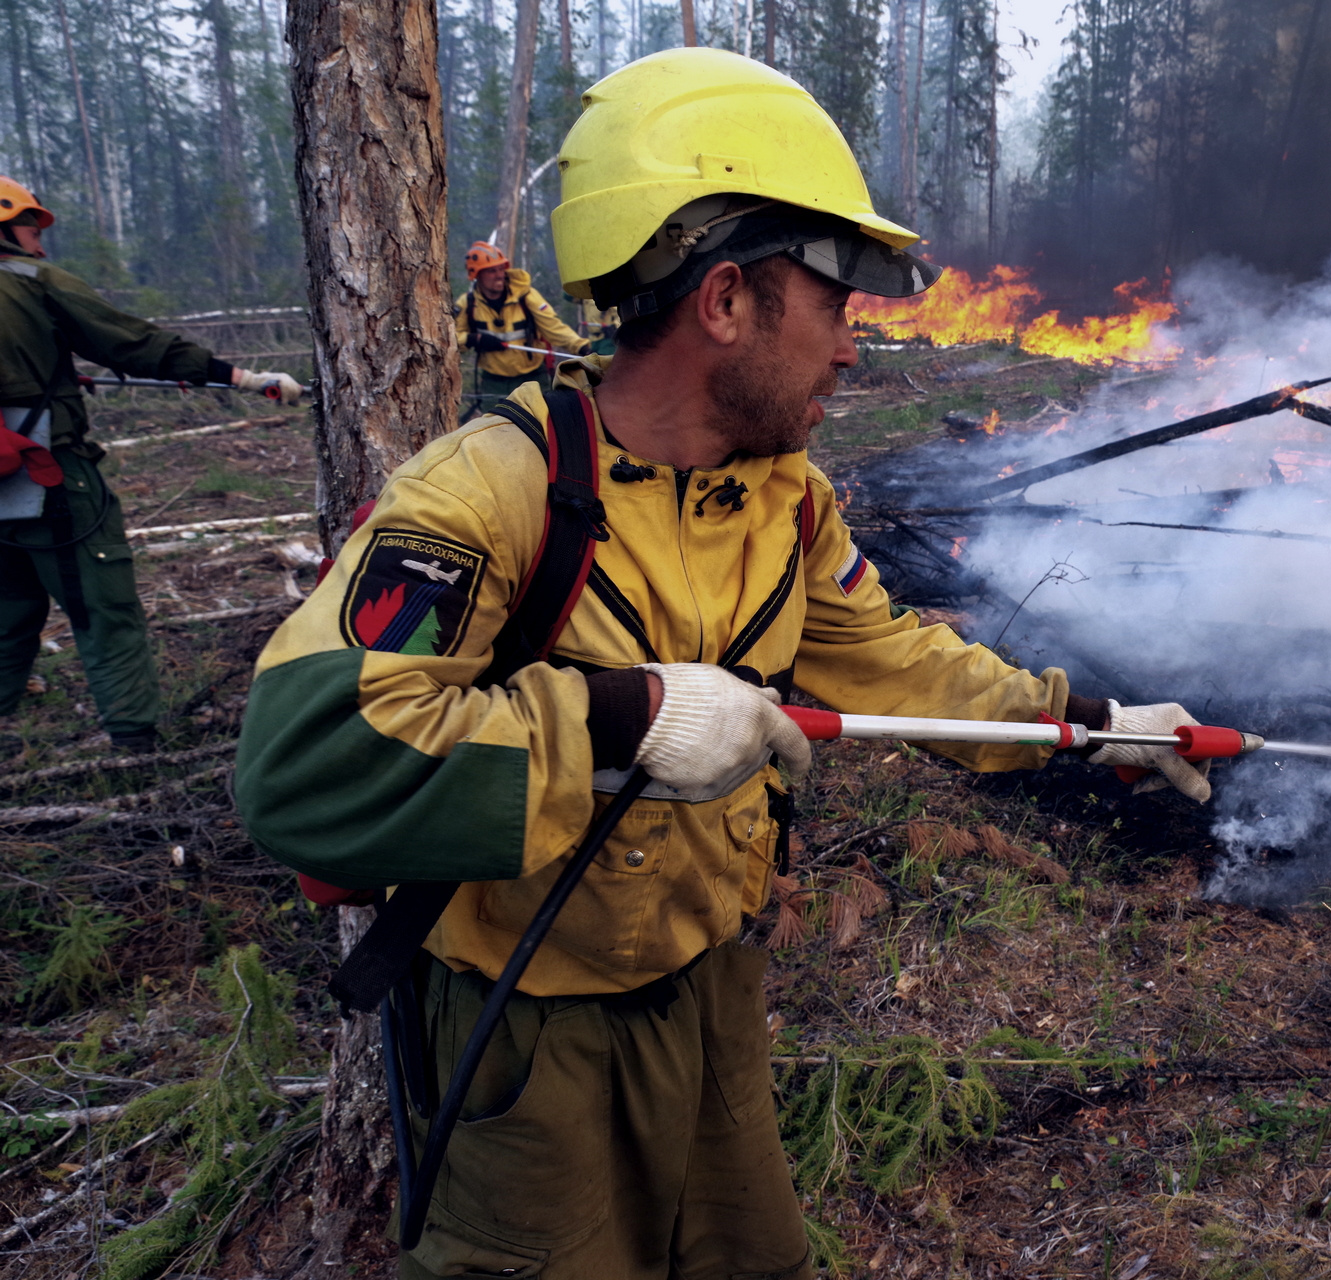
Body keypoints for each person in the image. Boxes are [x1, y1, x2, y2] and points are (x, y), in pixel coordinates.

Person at [234, 49, 1209, 1280]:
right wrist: (623, 714)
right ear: (728, 300)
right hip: (525, 1034)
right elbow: (304, 762)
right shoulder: (491, 489)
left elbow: (896, 659)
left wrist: (1087, 722)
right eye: (839, 304)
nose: (852, 350)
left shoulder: (785, 501)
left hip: (717, 997)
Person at [0, 177, 302, 756]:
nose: (40, 241)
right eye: (31, 228)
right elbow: (134, 343)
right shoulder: (33, 283)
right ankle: (135, 741)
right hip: (48, 479)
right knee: (102, 602)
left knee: (8, 607)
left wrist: (53, 375)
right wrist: (244, 378)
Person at [454, 240, 594, 415]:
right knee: (494, 434)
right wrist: (473, 339)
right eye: (491, 271)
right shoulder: (468, 304)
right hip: (493, 382)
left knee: (542, 427)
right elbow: (450, 341)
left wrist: (581, 346)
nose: (499, 275)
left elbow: (553, 327)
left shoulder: (526, 297)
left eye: (500, 269)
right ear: (477, 275)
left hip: (532, 378)